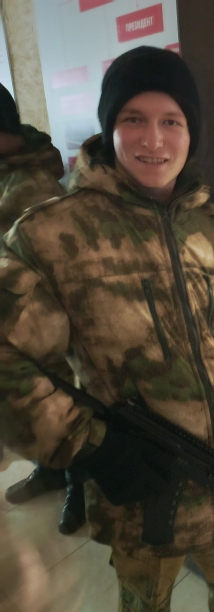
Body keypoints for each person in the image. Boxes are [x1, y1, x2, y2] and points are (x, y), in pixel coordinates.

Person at [0, 47, 214, 612]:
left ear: (190, 132)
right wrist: (91, 448)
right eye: (133, 118)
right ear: (110, 128)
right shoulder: (52, 236)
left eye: (171, 121)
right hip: (142, 497)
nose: (153, 139)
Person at [0, 83, 86, 535]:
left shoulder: (31, 184)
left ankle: (78, 485)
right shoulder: (7, 172)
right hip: (15, 321)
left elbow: (59, 268)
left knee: (63, 401)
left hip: (45, 322)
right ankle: (51, 471)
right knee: (37, 408)